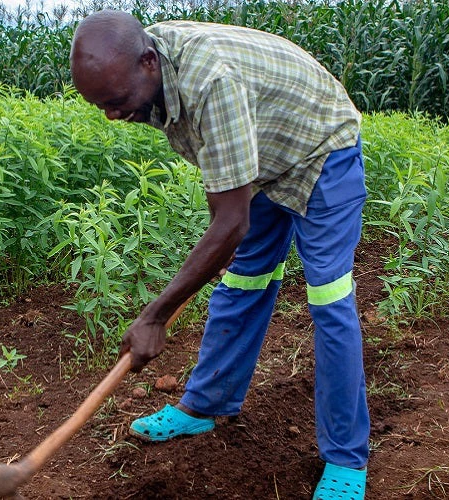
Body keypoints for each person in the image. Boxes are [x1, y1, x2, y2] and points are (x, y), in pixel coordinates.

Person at [69, 10, 369, 500]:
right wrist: (224, 242)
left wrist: (156, 315)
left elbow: (231, 222)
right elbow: (226, 211)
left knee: (329, 299)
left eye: (116, 100)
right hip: (263, 160)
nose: (112, 114)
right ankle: (204, 407)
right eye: (100, 104)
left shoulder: (211, 80)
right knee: (245, 280)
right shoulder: (151, 68)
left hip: (321, 149)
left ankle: (346, 459)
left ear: (148, 62)